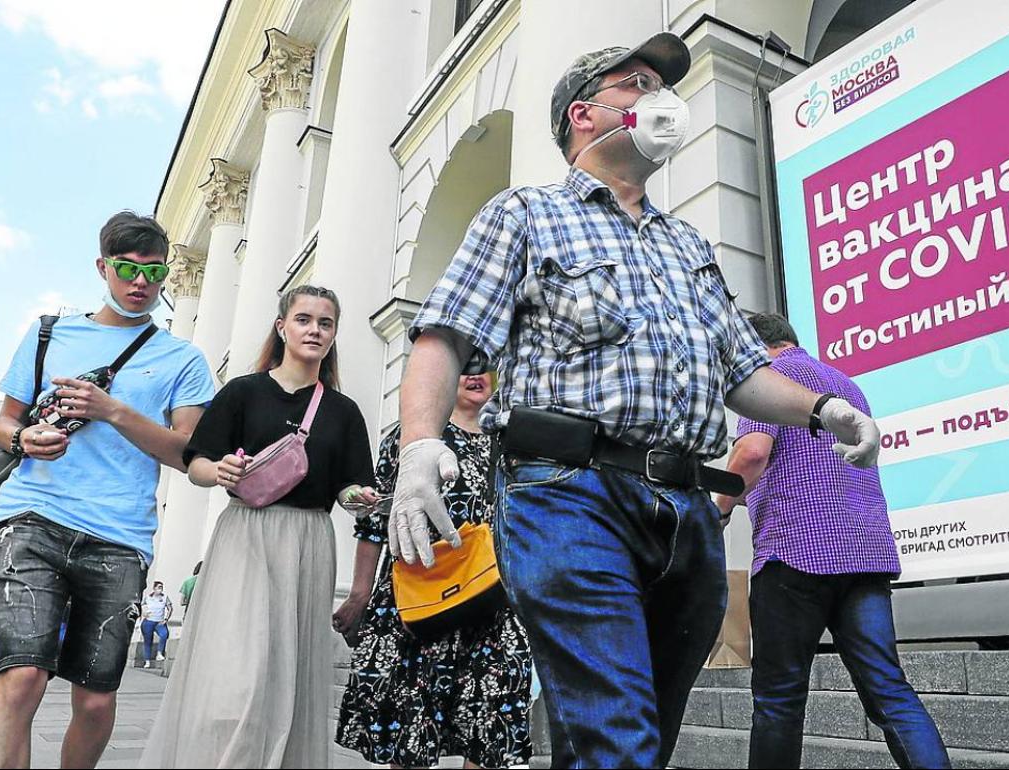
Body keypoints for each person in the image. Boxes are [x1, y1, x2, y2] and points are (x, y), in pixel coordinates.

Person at [390, 33, 883, 768]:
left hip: (683, 511)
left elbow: (741, 371)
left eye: (664, 86)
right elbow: (446, 335)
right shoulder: (523, 214)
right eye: (638, 85)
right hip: (568, 495)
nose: (662, 101)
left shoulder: (688, 246)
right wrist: (420, 447)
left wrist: (821, 410)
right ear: (583, 115)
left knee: (628, 742)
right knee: (620, 740)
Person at [0, 211, 215, 769]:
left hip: (119, 535)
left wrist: (115, 412)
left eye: (154, 273)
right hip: (32, 516)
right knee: (21, 679)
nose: (140, 284)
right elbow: (3, 423)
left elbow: (187, 453)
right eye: (127, 269)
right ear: (103, 267)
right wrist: (25, 436)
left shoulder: (183, 358)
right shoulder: (49, 335)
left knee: (97, 698)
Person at [140, 285, 378, 768]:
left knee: (287, 672)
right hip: (245, 535)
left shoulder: (343, 410)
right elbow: (198, 461)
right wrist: (220, 470)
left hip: (309, 540)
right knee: (237, 672)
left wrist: (359, 498)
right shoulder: (243, 392)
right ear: (282, 326)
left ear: (334, 335)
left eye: (325, 323)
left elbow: (351, 486)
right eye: (305, 319)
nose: (314, 330)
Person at [715, 313, 950, 769]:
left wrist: (715, 512)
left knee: (778, 702)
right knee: (889, 692)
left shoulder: (773, 377)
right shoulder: (847, 385)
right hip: (864, 555)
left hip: (795, 554)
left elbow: (752, 453)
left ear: (754, 346)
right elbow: (809, 471)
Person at [335, 373, 534, 769]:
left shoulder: (516, 443)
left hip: (496, 601)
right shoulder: (412, 439)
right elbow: (374, 524)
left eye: (485, 363)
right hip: (422, 598)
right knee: (412, 728)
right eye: (464, 363)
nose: (475, 374)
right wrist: (358, 595)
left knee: (491, 728)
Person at [140, 582, 173, 669]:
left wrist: (166, 619)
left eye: (161, 587)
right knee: (148, 641)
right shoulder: (148, 597)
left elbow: (170, 608)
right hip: (149, 621)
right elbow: (142, 606)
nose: (160, 589)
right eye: (158, 587)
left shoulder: (164, 597)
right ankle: (147, 661)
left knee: (164, 634)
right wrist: (144, 613)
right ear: (154, 589)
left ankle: (159, 653)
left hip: (159, 622)